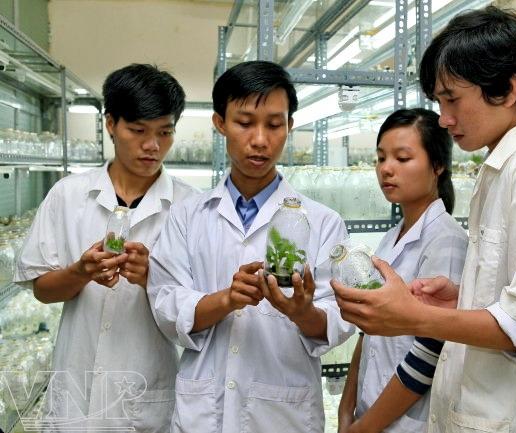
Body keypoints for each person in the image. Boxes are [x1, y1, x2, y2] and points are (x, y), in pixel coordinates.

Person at [332, 7, 516, 433]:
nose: (444, 118)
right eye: (439, 102)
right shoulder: (502, 167)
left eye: (452, 98)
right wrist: (462, 297)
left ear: (507, 89)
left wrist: (415, 318)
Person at [146, 60, 355, 433]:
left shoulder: (323, 222)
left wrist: (302, 311)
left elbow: (339, 318)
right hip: (202, 415)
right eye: (244, 123)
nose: (260, 139)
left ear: (289, 126)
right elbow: (165, 302)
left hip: (282, 416)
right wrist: (227, 299)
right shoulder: (187, 216)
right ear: (219, 124)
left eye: (274, 125)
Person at [14, 64, 198, 432]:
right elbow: (42, 290)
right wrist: (80, 272)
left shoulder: (191, 207)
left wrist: (154, 280)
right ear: (111, 123)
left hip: (146, 394)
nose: (153, 145)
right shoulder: (68, 195)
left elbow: (199, 312)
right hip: (75, 391)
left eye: (165, 132)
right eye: (138, 130)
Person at [337, 108, 468, 433]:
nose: (386, 169)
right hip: (369, 416)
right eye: (381, 158)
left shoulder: (445, 241)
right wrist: (346, 408)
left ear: (437, 165)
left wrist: (365, 427)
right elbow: (369, 333)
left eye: (402, 158)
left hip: (407, 424)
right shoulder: (391, 238)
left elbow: (428, 354)